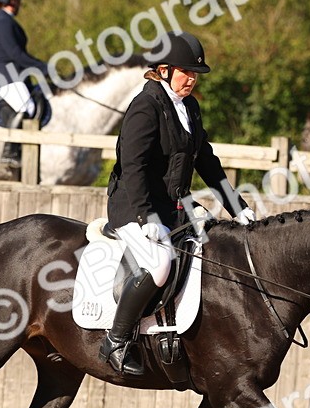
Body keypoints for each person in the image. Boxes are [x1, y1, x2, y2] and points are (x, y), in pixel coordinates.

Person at [100, 31, 255, 376]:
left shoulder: (190, 108)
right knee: (159, 263)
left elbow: (208, 163)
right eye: (186, 72)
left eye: (195, 74)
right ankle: (116, 338)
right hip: (133, 204)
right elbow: (133, 165)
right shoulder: (146, 105)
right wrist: (145, 215)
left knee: (213, 248)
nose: (192, 79)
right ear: (164, 70)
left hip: (174, 206)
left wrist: (238, 206)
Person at [0, 0, 49, 166]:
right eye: (18, 0)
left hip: (12, 74)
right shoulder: (3, 22)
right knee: (27, 107)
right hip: (4, 76)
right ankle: (9, 152)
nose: (20, 4)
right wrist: (42, 67)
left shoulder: (4, 20)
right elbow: (15, 54)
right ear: (11, 0)